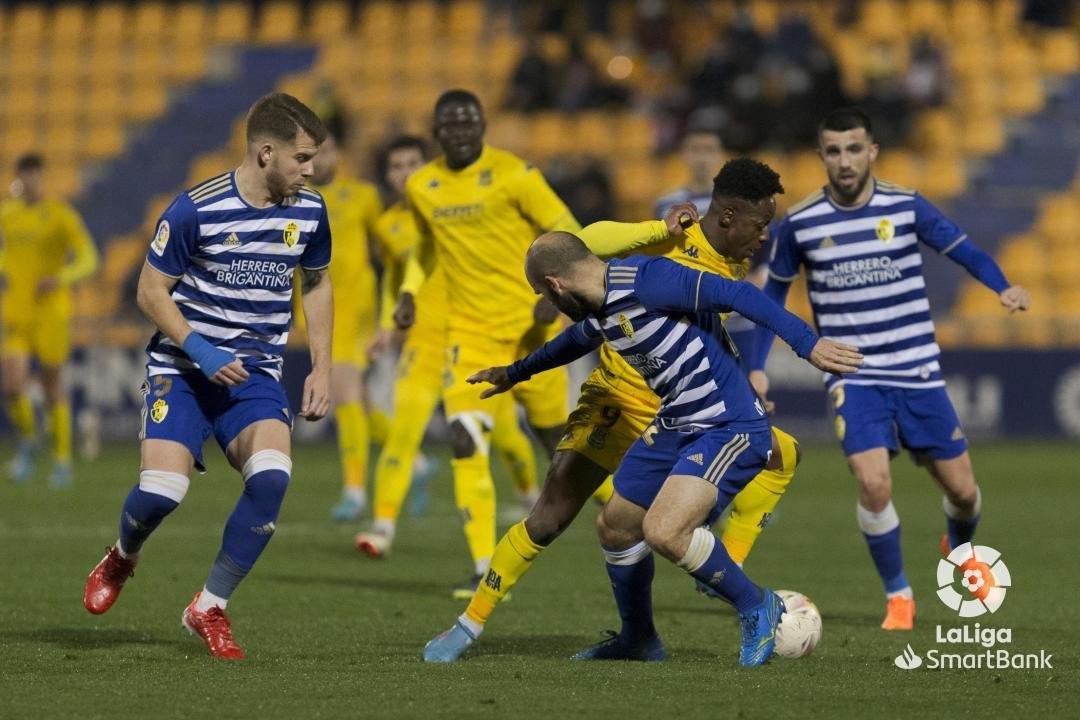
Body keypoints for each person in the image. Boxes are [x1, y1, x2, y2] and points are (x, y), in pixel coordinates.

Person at [422, 159, 816, 663]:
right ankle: (472, 624)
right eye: (761, 227)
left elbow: (701, 329)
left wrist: (746, 376)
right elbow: (584, 241)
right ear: (727, 217)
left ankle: (727, 572)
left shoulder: (733, 261)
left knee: (780, 453)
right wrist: (656, 228)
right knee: (555, 517)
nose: (764, 239)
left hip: (682, 406)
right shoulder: (673, 240)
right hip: (620, 399)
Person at [749, 107, 1031, 631]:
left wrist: (1002, 287)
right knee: (874, 483)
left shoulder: (905, 206)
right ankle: (899, 596)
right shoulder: (803, 223)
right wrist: (759, 366)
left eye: (854, 148)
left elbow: (964, 250)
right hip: (854, 374)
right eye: (833, 151)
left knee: (964, 493)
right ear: (821, 157)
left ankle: (958, 545)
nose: (845, 161)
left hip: (918, 369)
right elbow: (773, 295)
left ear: (872, 151)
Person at [82, 93, 333, 660]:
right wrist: (202, 349)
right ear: (266, 152)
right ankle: (123, 554)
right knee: (161, 493)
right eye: (302, 158)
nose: (311, 169)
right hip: (183, 368)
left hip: (255, 372)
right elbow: (150, 291)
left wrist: (321, 364)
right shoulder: (195, 208)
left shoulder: (310, 210)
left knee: (271, 478)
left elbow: (317, 282)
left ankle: (209, 607)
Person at [393, 89, 583, 595]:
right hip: (469, 334)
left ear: (483, 126)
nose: (459, 131)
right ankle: (483, 568)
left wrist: (555, 293)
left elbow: (567, 228)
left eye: (468, 122)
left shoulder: (515, 174)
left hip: (530, 330)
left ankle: (627, 521)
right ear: (437, 132)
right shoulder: (423, 184)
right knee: (463, 438)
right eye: (449, 124)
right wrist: (410, 291)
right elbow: (425, 245)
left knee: (562, 449)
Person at [353, 135, 540, 559]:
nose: (404, 173)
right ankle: (382, 525)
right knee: (403, 432)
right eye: (395, 166)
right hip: (422, 343)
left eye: (411, 163)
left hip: (472, 339)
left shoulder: (455, 209)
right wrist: (386, 325)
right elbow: (396, 278)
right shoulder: (388, 226)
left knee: (508, 437)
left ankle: (531, 496)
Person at [0, 154, 98, 488]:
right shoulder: (8, 214)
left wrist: (62, 276)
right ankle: (30, 441)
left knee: (51, 385)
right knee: (12, 385)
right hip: (17, 311)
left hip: (52, 313)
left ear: (43, 178)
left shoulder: (59, 215)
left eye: (36, 176)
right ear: (19, 178)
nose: (31, 182)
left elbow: (88, 257)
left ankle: (61, 461)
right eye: (26, 176)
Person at [308, 129, 384, 522]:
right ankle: (417, 464)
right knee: (356, 396)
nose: (321, 159)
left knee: (343, 390)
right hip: (320, 307)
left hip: (356, 308)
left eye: (329, 149)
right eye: (313, 152)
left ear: (339, 152)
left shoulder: (363, 196)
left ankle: (354, 489)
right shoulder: (296, 199)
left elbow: (387, 247)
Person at [653, 128, 724, 219]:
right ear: (683, 154)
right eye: (695, 150)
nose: (702, 158)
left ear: (720, 155)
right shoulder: (665, 204)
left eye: (709, 149)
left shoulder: (734, 203)